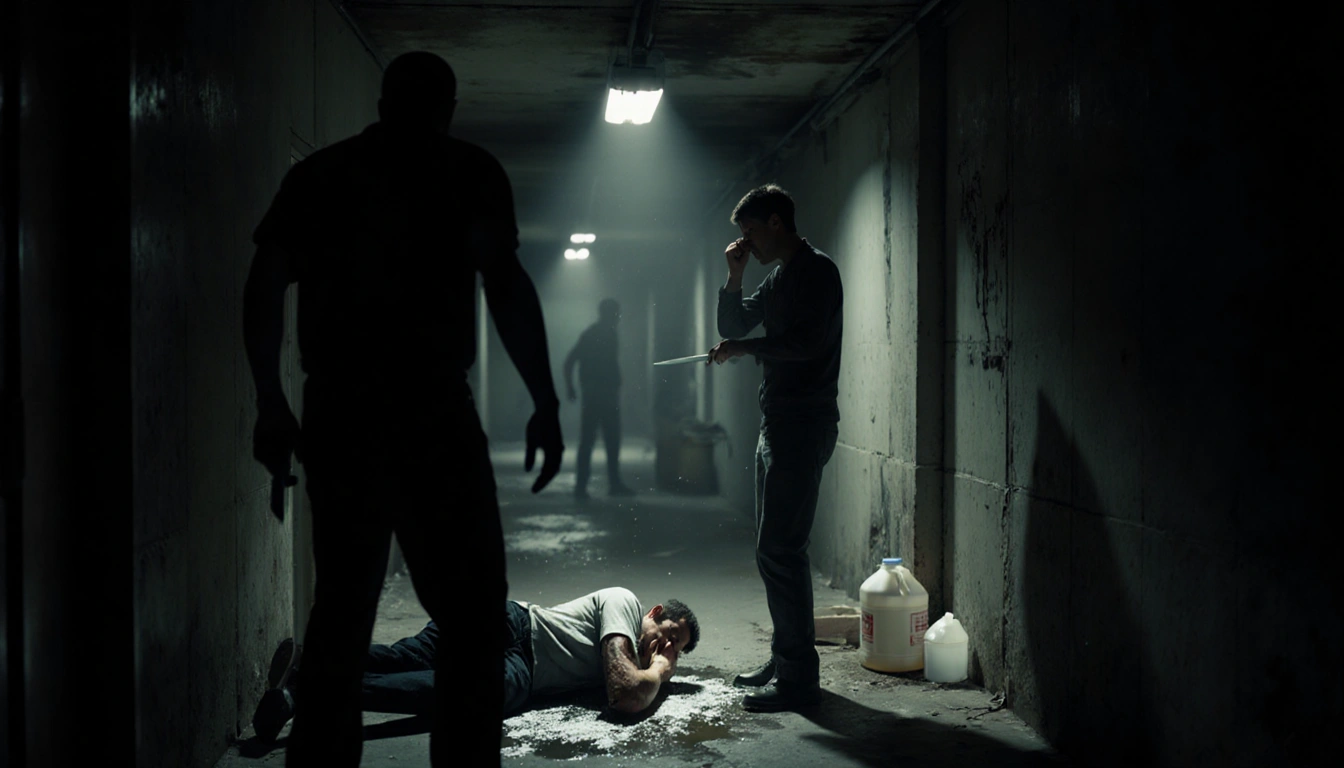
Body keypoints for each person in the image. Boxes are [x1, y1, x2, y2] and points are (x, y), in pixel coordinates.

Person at [243, 51, 564, 768]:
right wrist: (545, 400)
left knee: (344, 610)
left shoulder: (321, 176)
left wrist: (271, 398)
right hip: (431, 413)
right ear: (447, 108)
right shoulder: (466, 172)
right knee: (473, 619)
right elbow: (506, 288)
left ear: (382, 102)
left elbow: (264, 283)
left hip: (342, 411)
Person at [708, 184, 842, 712]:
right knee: (774, 553)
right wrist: (734, 278)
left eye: (750, 233)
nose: (748, 243)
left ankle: (797, 679)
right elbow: (733, 323)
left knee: (781, 551)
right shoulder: (778, 276)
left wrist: (746, 347)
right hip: (777, 424)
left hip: (804, 425)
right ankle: (786, 658)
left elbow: (807, 344)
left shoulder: (818, 273)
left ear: (776, 223)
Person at [251, 588, 701, 741]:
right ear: (656, 613)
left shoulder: (643, 656)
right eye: (669, 635)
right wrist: (659, 673)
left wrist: (655, 670)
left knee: (439, 690)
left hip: (523, 671)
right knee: (409, 657)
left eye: (675, 650)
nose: (666, 650)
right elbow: (626, 691)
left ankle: (303, 683)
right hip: (513, 625)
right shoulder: (626, 603)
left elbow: (625, 692)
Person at [564, 298, 635, 499]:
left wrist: (572, 387)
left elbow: (570, 361)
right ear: (609, 314)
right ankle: (593, 485)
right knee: (598, 440)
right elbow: (570, 361)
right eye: (616, 314)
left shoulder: (602, 333)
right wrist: (571, 386)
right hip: (599, 395)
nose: (618, 318)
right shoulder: (596, 334)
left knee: (597, 440)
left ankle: (591, 486)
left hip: (600, 394)